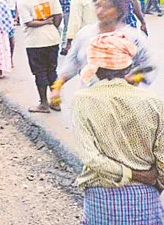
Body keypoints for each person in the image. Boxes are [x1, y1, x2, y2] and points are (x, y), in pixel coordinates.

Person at [70, 33, 164, 224]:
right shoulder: (154, 102)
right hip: (145, 195)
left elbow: (91, 157)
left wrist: (130, 175)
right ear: (128, 66)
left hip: (101, 194)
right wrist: (152, 180)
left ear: (95, 68)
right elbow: (161, 157)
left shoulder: (82, 100)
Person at [51, 0, 157, 105]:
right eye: (97, 6)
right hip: (90, 99)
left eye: (107, 7)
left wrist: (131, 79)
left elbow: (150, 66)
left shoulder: (133, 37)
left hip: (123, 101)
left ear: (119, 11)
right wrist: (57, 87)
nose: (100, 11)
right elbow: (72, 63)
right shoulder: (85, 34)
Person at [16, 0, 63, 113]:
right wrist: (50, 25)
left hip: (35, 42)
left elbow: (29, 22)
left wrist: (42, 23)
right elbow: (58, 16)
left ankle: (43, 104)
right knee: (52, 71)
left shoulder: (22, 1)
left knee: (40, 72)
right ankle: (56, 102)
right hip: (52, 39)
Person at [0, 0, 18, 64]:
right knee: (11, 36)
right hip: (12, 11)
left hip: (4, 13)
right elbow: (16, 2)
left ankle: (4, 59)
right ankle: (11, 59)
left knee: (3, 36)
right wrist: (16, 17)